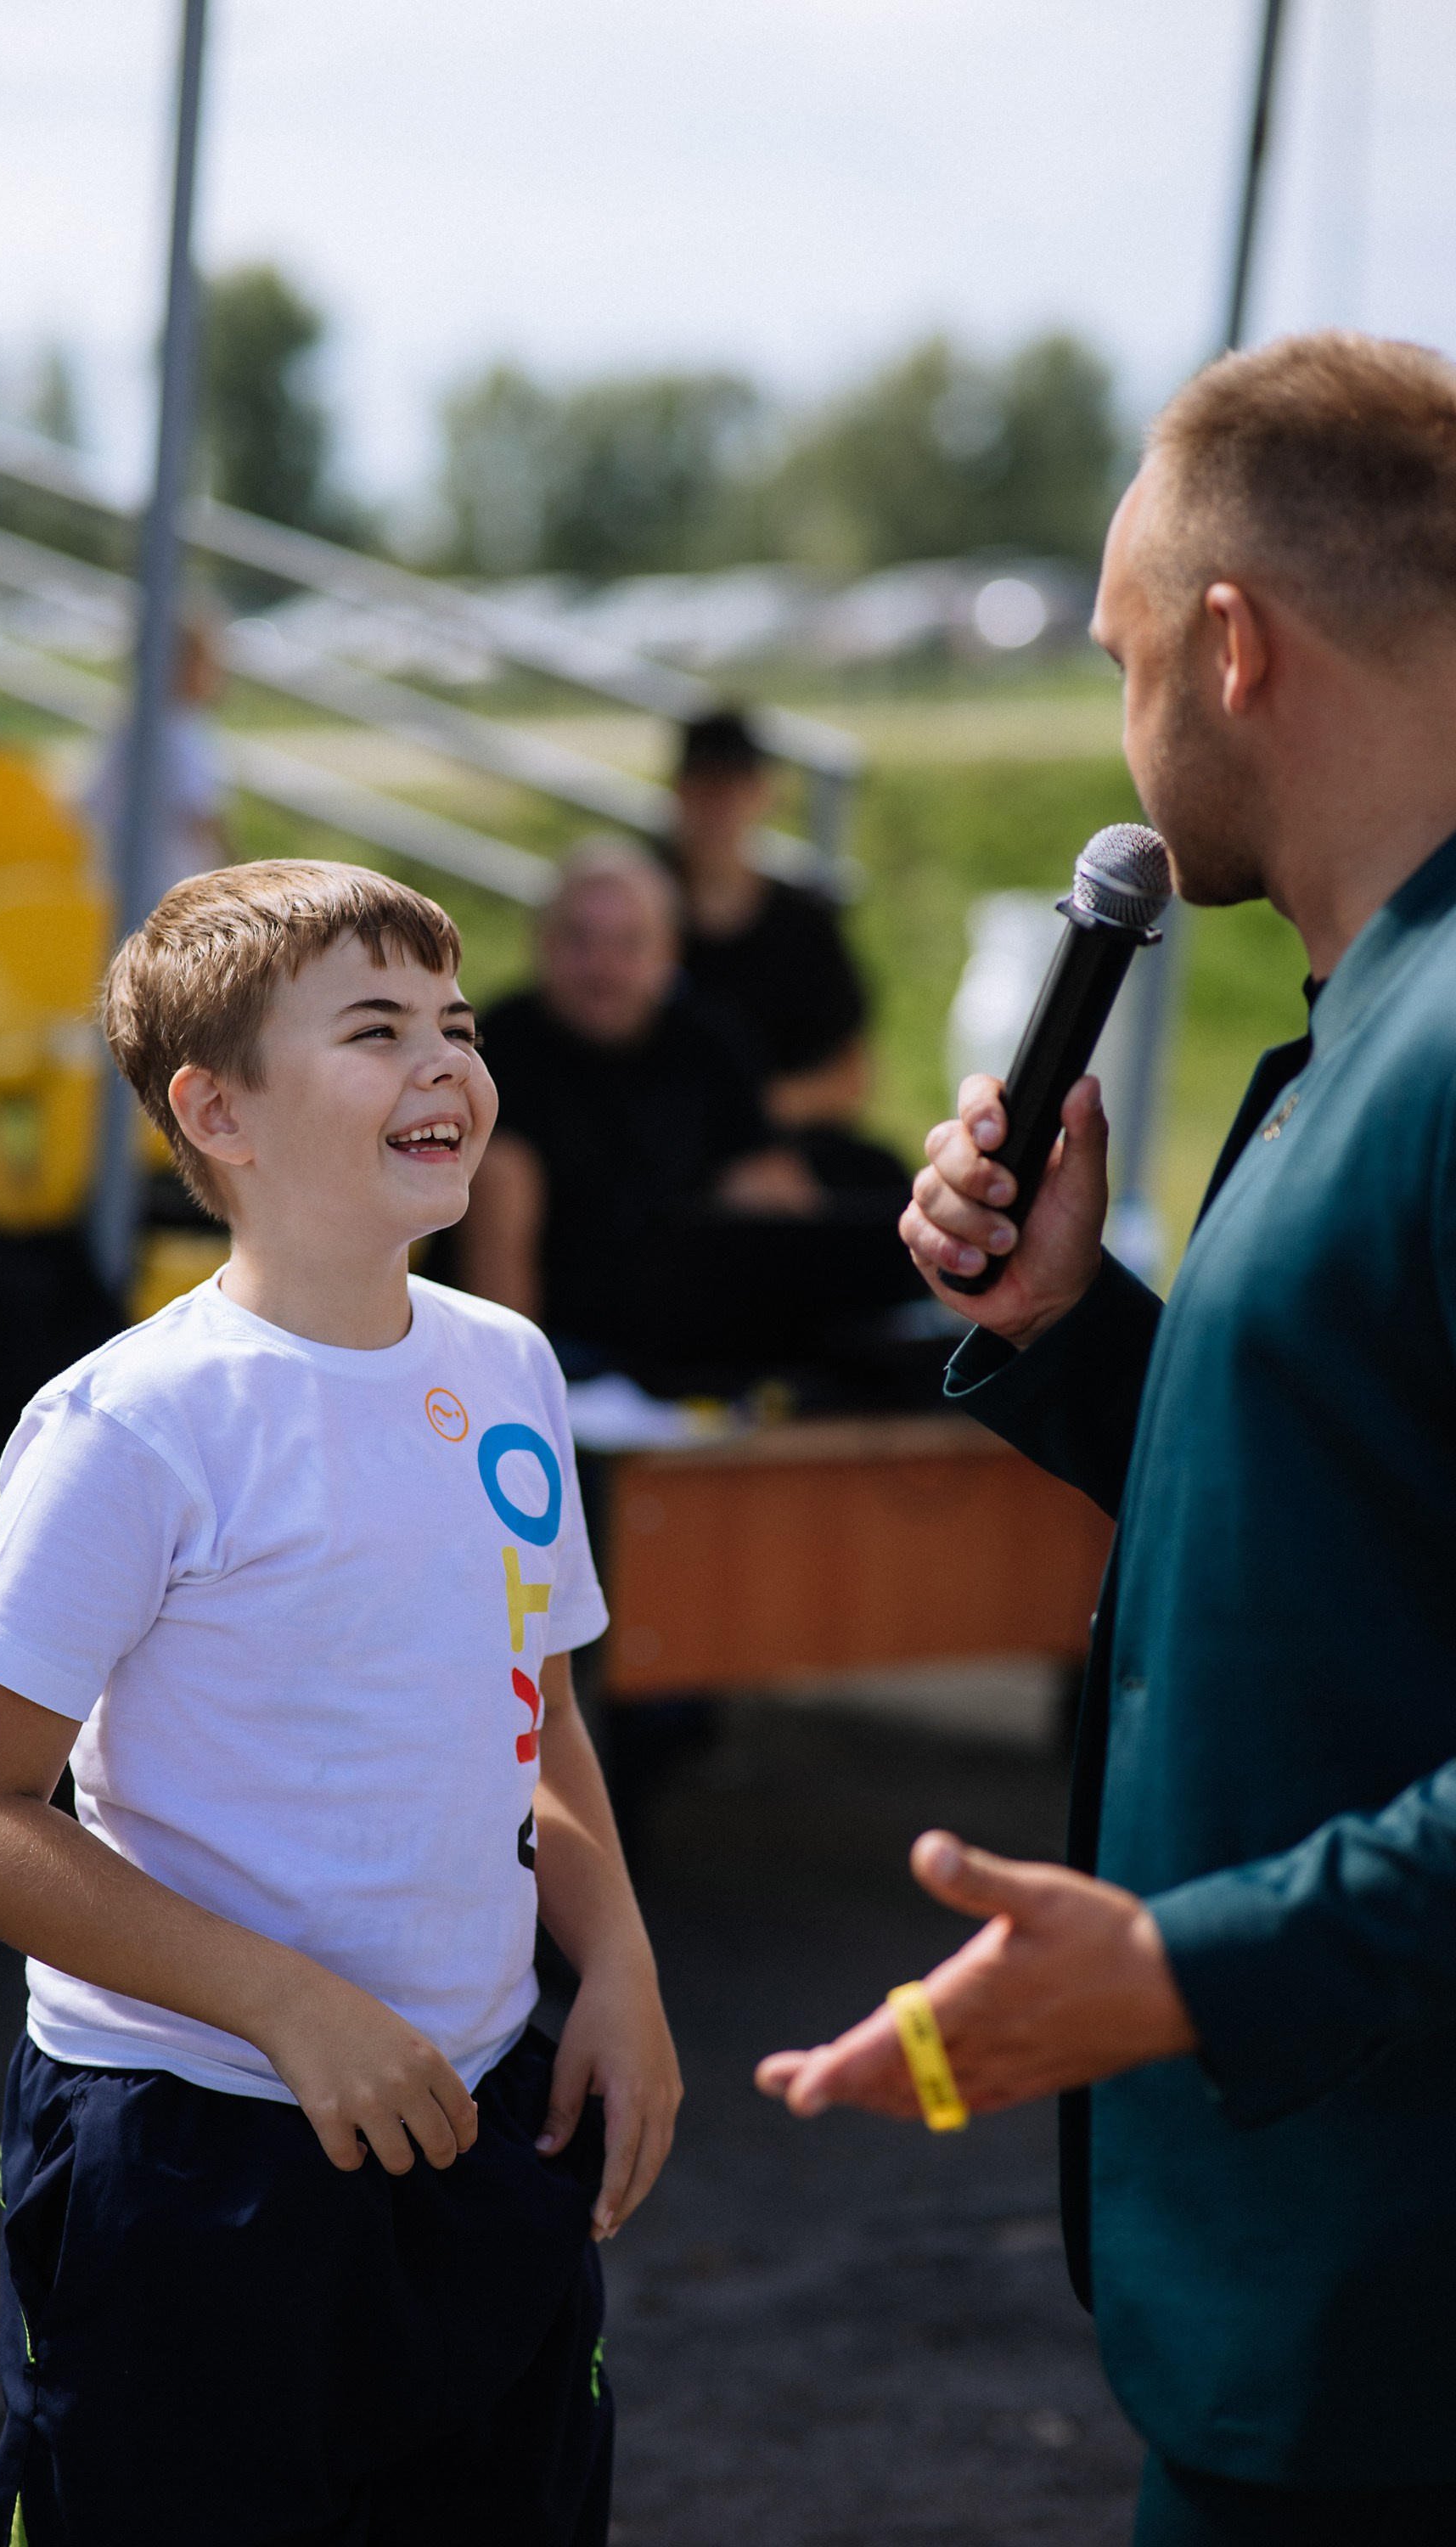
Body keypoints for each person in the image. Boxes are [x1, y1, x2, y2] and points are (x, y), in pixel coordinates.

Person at [757, 331, 1456, 2543]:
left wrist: (1181, 1965)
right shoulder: (1373, 1021)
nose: (1121, 720)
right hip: (1320, 2324)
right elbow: (1360, 1506)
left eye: (1124, 650)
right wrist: (1072, 1329)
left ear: (1234, 645)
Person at [0, 860, 682, 2547]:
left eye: (458, 1024)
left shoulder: (508, 1366)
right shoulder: (134, 1424)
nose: (446, 1064)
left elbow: (529, 1712)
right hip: (189, 2167)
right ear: (216, 1109)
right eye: (377, 1027)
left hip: (468, 2118)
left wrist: (614, 1966)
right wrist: (285, 2006)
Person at [454, 838, 818, 1367]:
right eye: (580, 940)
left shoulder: (712, 1041)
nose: (604, 968)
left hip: (686, 1347)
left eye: (629, 944)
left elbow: (776, 1190)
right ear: (541, 943)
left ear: (670, 952)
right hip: (554, 1351)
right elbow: (496, 1249)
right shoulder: (494, 1048)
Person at [668, 708, 869, 1133]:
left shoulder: (805, 924)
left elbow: (851, 1078)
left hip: (781, 1140)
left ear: (761, 794)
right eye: (707, 787)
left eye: (734, 788)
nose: (720, 806)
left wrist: (741, 1115)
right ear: (681, 792)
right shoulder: (636, 913)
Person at [82, 609, 230, 904]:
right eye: (207, 662)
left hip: (115, 880)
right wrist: (233, 873)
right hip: (174, 888)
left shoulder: (130, 723)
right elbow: (198, 816)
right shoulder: (178, 730)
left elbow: (91, 805)